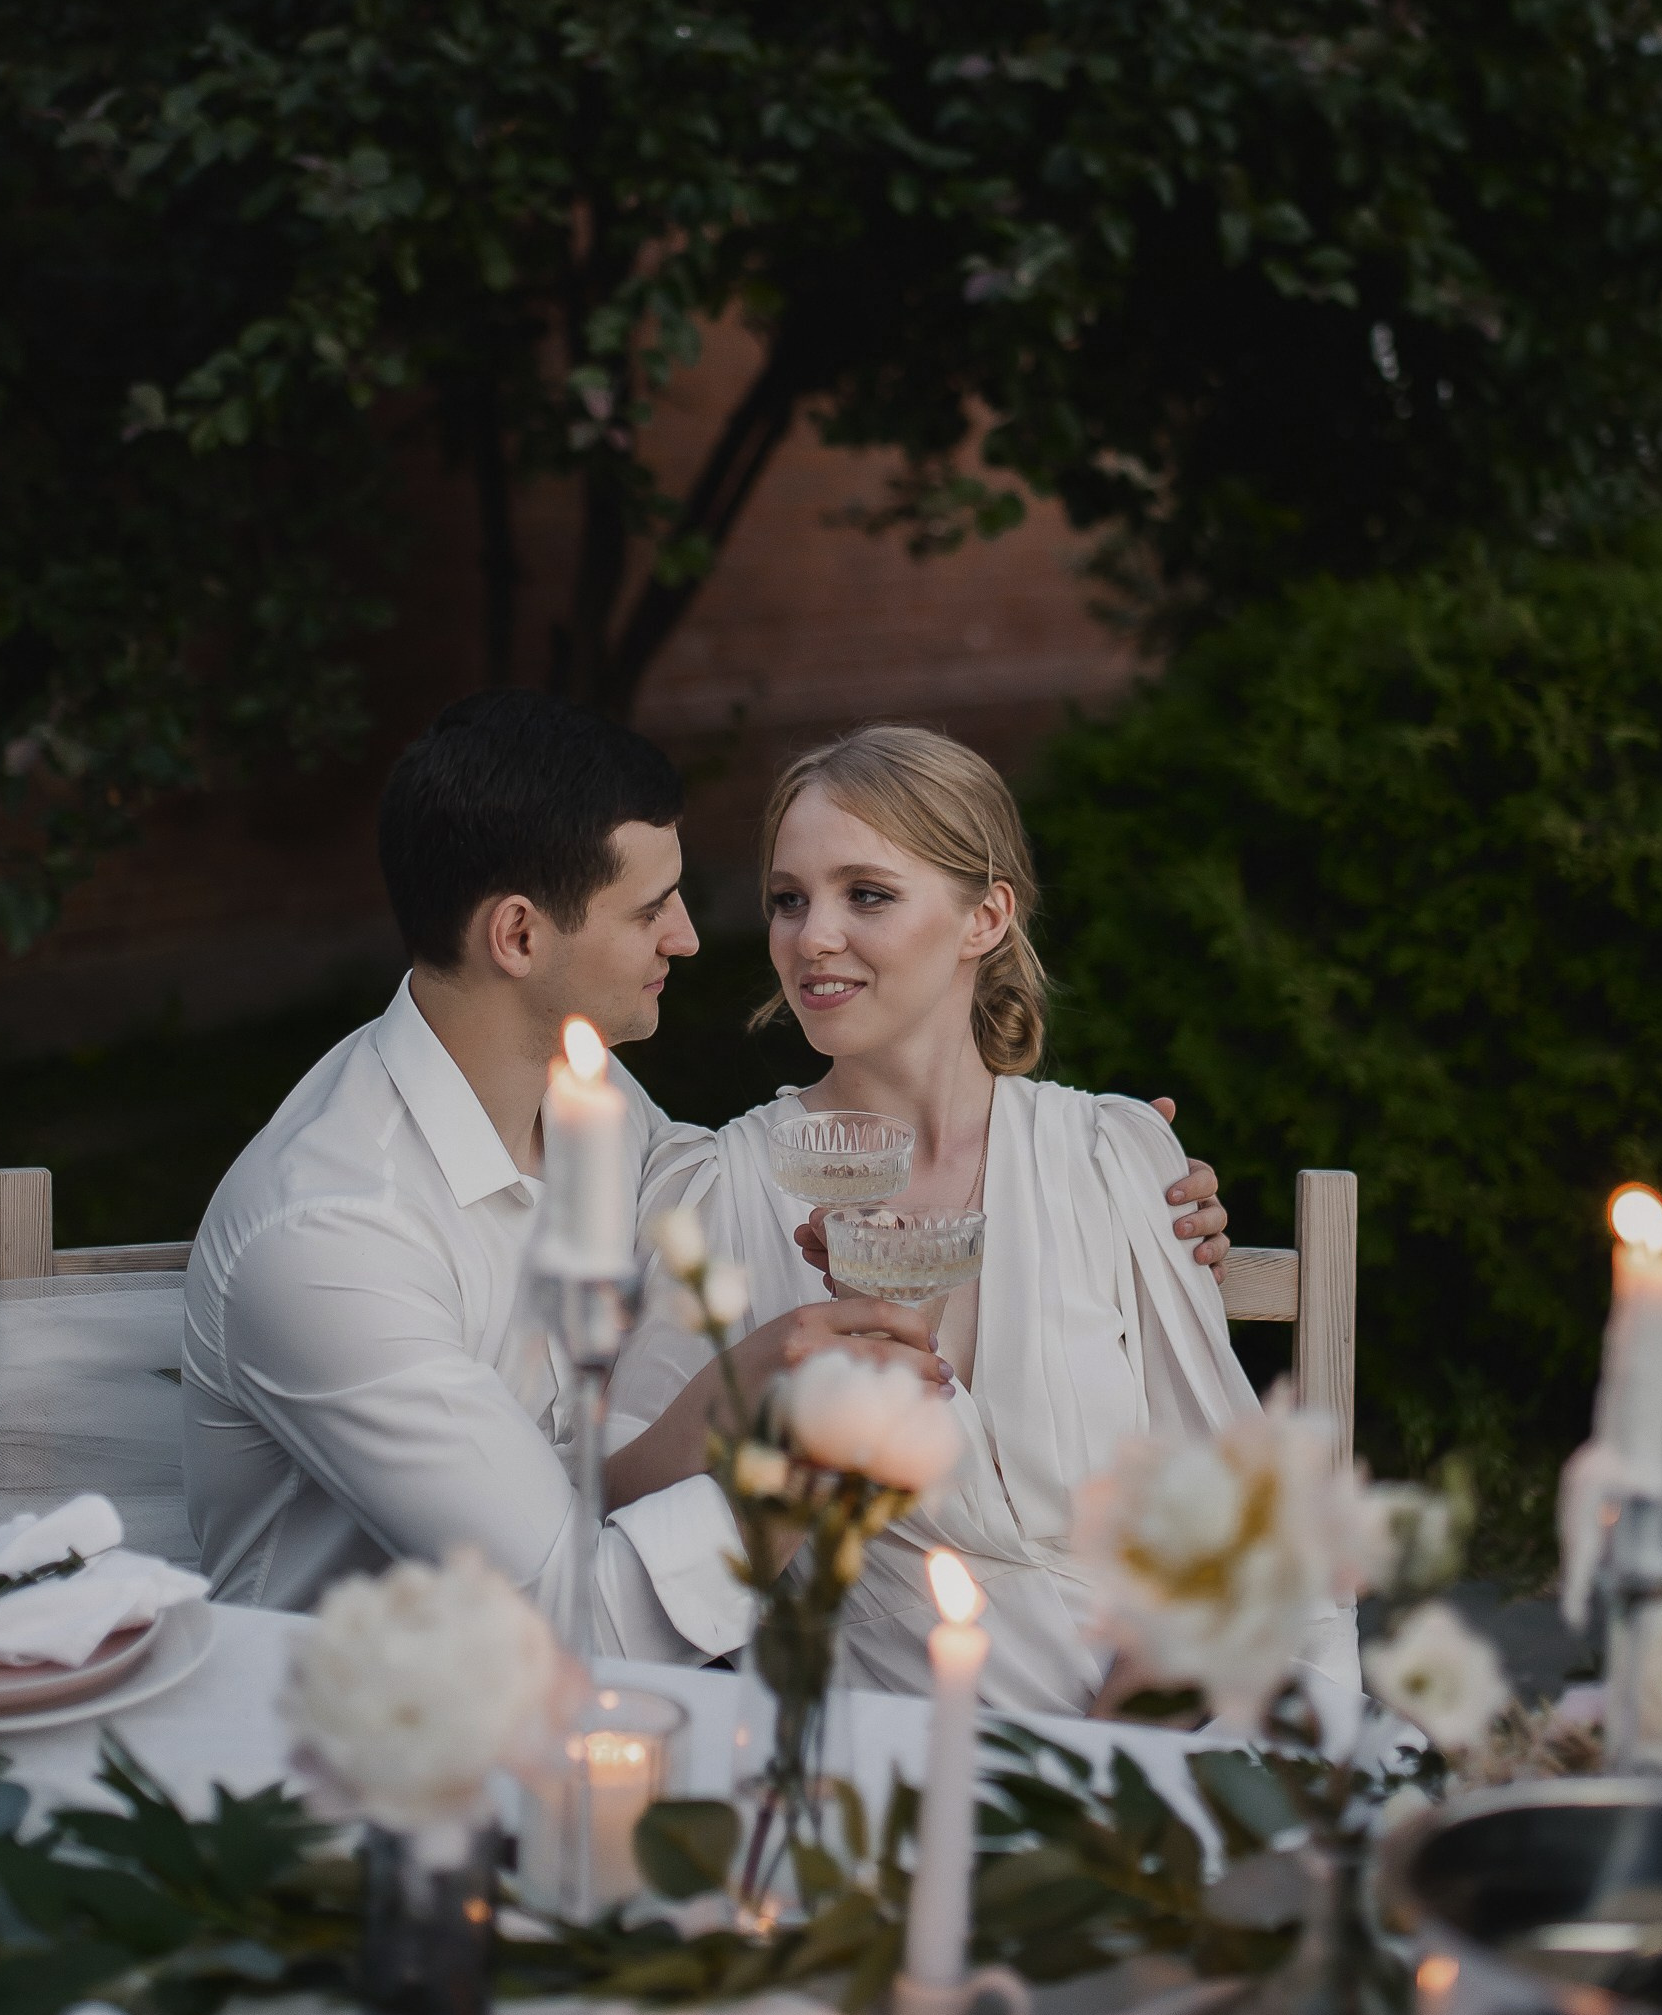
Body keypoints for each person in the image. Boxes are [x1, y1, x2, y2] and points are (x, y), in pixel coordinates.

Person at [605, 724, 1358, 1720]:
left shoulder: (1109, 1158)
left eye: (866, 894)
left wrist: (1159, 1720)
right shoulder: (722, 1188)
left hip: (1153, 1740)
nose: (811, 936)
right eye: (789, 899)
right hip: (884, 1755)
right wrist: (760, 1380)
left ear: (985, 917)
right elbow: (621, 1511)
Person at [181, 693, 945, 1651]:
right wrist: (819, 1453)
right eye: (649, 910)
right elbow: (574, 1621)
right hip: (353, 1717)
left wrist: (1033, 1175)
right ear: (518, 936)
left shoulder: (587, 1091)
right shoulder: (332, 1236)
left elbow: (706, 1199)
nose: (686, 937)